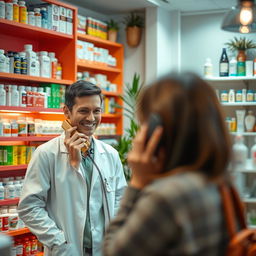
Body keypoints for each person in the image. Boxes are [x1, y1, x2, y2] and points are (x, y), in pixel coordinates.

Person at [103, 72, 233, 255]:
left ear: (156, 132)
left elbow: (114, 252)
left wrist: (138, 182)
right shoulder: (216, 181)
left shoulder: (166, 196)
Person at [18, 80, 127, 256]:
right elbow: (29, 207)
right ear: (67, 112)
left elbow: (121, 199)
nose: (91, 118)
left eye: (96, 111)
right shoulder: (47, 154)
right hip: (67, 250)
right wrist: (59, 242)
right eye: (84, 110)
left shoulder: (110, 154)